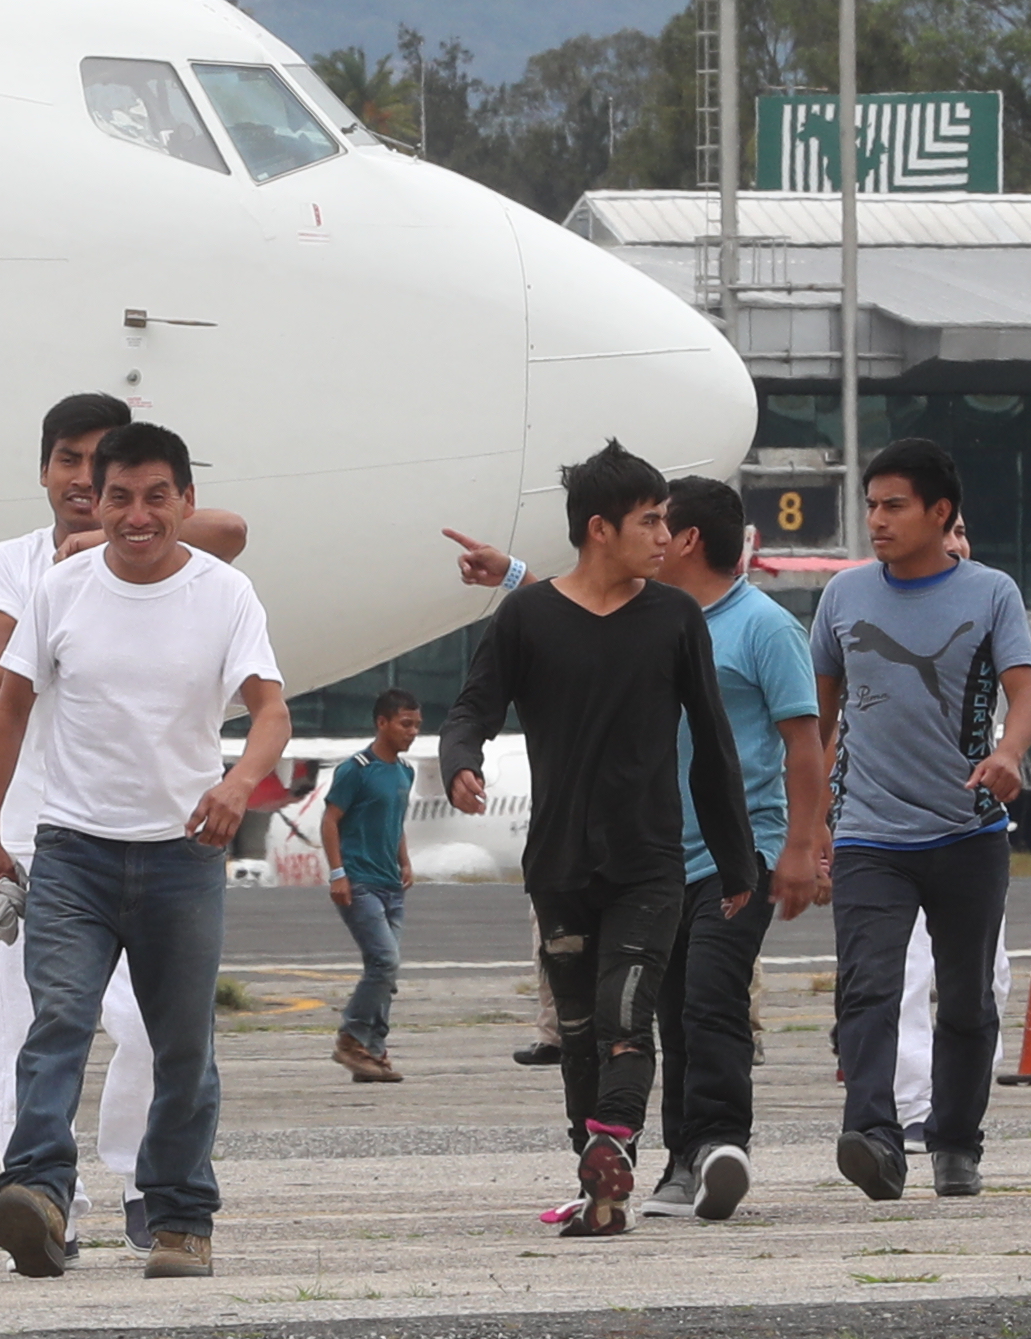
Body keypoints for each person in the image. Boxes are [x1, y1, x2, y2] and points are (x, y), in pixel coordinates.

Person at [0, 421, 286, 1279]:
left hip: (182, 857)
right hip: (73, 851)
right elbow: (9, 712)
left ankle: (182, 1218)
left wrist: (235, 785)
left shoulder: (225, 594)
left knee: (180, 1044)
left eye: (155, 497)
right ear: (93, 503)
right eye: (118, 498)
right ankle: (36, 1196)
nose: (136, 516)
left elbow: (271, 713)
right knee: (58, 1019)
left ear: (185, 501)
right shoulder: (61, 589)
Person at [443, 447, 762, 1238]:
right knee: (579, 1034)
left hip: (650, 863)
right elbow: (472, 708)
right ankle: (602, 1185)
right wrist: (461, 763)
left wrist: (734, 861)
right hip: (558, 865)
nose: (665, 535)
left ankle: (613, 1142)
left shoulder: (674, 618)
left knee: (628, 1014)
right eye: (650, 520)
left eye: (666, 518)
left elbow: (715, 746)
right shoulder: (527, 617)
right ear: (599, 529)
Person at [812, 439, 1031, 1203]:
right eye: (870, 505)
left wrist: (1008, 753)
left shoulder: (991, 592)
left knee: (966, 999)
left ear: (941, 513)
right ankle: (873, 1137)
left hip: (967, 832)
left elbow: (1028, 691)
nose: (877, 520)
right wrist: (810, 825)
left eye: (894, 505)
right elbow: (817, 723)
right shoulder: (843, 597)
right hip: (869, 834)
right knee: (868, 987)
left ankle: (957, 1140)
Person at [651, 476, 831, 1218]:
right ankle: (680, 1158)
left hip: (743, 850)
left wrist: (798, 846)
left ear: (689, 539)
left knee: (711, 995)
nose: (651, 539)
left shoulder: (764, 626)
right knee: (668, 1012)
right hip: (662, 855)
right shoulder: (653, 621)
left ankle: (723, 1144)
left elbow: (805, 746)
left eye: (660, 526)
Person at [320, 691, 421, 1084]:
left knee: (386, 972)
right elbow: (330, 821)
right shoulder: (356, 769)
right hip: (359, 882)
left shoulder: (405, 772)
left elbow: (395, 823)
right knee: (384, 961)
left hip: (390, 884)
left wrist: (405, 860)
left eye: (416, 725)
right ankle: (351, 1036)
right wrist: (337, 873)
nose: (411, 732)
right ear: (382, 723)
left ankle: (371, 1051)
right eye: (405, 724)